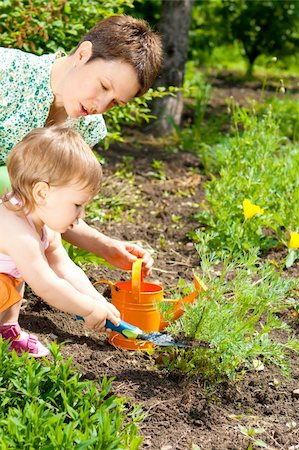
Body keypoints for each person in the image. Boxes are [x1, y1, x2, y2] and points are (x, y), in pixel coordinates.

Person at [0, 14, 163, 275]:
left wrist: (106, 246)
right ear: (83, 54)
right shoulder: (7, 72)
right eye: (103, 86)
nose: (100, 105)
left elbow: (53, 207)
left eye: (115, 103)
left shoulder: (88, 127)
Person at [0, 126, 121, 358]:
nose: (81, 215)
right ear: (42, 193)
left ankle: (7, 329)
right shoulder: (17, 230)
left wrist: (97, 301)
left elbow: (65, 268)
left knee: (14, 275)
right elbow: (47, 285)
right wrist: (88, 310)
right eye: (77, 205)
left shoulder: (42, 223)